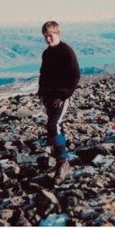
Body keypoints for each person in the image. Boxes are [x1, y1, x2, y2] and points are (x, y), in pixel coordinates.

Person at [38, 21, 80, 183]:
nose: (48, 39)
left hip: (60, 97)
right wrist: (41, 91)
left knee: (53, 125)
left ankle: (63, 162)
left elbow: (75, 76)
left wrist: (64, 95)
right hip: (48, 96)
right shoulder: (46, 53)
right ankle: (60, 159)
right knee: (57, 126)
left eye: (51, 36)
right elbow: (43, 73)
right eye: (45, 36)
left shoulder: (66, 52)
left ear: (58, 34)